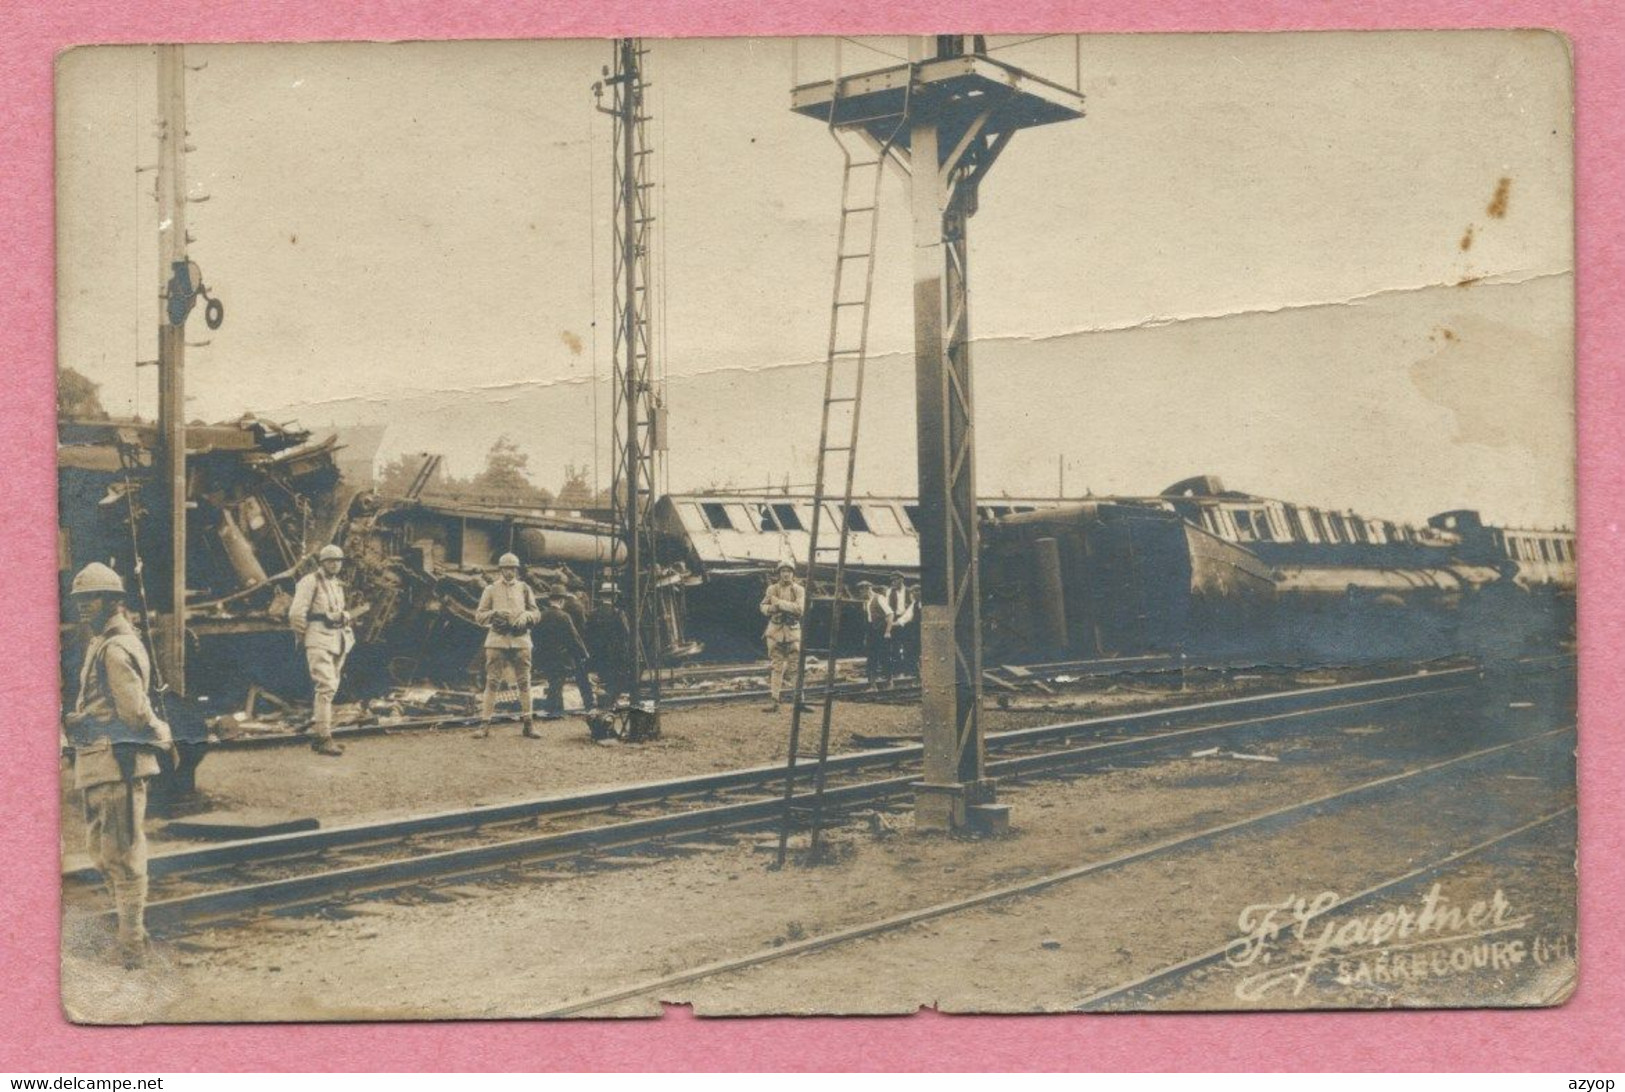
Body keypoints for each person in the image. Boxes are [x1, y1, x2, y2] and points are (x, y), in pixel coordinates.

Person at [61, 562, 175, 968]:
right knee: (105, 852)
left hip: (116, 764)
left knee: (122, 855)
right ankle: (133, 938)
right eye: (80, 600)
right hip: (100, 763)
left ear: (113, 601)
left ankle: (131, 947)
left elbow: (133, 712)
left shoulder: (116, 647)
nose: (83, 606)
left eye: (92, 598)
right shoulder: (103, 643)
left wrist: (159, 731)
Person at [289, 543, 354, 756]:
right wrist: (303, 637)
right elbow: (297, 614)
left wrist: (344, 617)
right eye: (330, 561)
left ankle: (320, 736)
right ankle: (324, 738)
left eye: (338, 561)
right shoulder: (309, 582)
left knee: (330, 688)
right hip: (318, 639)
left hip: (337, 640)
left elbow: (337, 610)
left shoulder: (336, 584)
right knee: (325, 687)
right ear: (322, 562)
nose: (335, 564)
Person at [472, 553, 542, 739]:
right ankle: (484, 725)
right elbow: (479, 616)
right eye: (506, 568)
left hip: (521, 641)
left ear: (516, 570)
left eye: (512, 568)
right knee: (492, 682)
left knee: (524, 683)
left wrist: (526, 617)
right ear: (500, 569)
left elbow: (536, 613)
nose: (509, 572)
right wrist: (495, 614)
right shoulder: (491, 589)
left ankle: (528, 725)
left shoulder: (525, 588)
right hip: (497, 640)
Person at [533, 588, 591, 717]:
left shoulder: (541, 615)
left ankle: (556, 709)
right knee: (557, 683)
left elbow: (535, 636)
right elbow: (574, 636)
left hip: (546, 655)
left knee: (554, 681)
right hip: (561, 655)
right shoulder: (564, 616)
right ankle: (554, 711)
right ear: (561, 600)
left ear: (550, 601)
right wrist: (583, 653)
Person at [759, 561, 805, 712]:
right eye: (783, 571)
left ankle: (799, 701)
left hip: (792, 632)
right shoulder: (772, 589)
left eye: (789, 571)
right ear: (778, 573)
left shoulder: (799, 590)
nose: (786, 574)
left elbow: (799, 609)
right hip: (775, 631)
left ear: (793, 573)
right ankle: (774, 701)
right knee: (776, 666)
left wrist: (779, 603)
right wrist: (771, 608)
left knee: (795, 667)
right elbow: (763, 606)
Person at [585, 583, 632, 706]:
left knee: (603, 678)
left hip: (598, 654)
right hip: (615, 654)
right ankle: (610, 702)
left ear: (602, 597)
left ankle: (604, 701)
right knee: (617, 679)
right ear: (615, 596)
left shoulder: (592, 614)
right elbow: (626, 633)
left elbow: (588, 635)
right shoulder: (618, 613)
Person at [558, 577, 597, 713]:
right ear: (578, 592)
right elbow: (583, 628)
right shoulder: (577, 606)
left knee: (558, 678)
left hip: (562, 646)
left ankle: (556, 707)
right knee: (582, 677)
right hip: (575, 645)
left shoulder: (563, 605)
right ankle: (589, 703)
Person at [858, 579, 894, 689]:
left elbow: (890, 614)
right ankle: (873, 685)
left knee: (884, 656)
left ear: (868, 589)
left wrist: (888, 631)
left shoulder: (879, 598)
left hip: (881, 631)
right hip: (871, 631)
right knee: (871, 657)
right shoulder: (866, 602)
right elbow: (868, 619)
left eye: (862, 590)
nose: (860, 593)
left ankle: (889, 682)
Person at [884, 573, 911, 683]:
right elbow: (887, 606)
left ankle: (908, 671)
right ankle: (897, 670)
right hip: (894, 620)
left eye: (895, 580)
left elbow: (911, 608)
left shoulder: (909, 591)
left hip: (907, 620)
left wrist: (904, 619)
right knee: (895, 647)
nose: (893, 582)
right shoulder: (889, 591)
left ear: (901, 580)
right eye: (892, 580)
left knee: (908, 646)